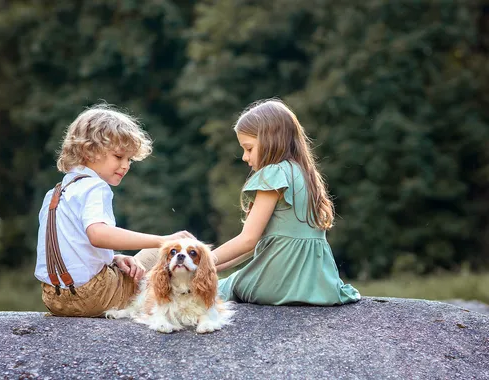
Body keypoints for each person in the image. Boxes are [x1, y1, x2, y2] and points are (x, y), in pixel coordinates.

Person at [34, 104, 193, 317]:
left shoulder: (57, 193)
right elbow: (98, 235)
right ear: (89, 150)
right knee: (166, 251)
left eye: (129, 159)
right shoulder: (95, 187)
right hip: (92, 296)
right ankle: (197, 301)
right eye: (119, 157)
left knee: (134, 262)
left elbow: (72, 246)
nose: (126, 165)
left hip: (53, 297)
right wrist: (162, 240)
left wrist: (113, 259)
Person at [214, 99, 361, 305]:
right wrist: (215, 266)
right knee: (224, 280)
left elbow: (248, 239)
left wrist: (202, 260)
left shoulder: (273, 175)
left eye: (248, 148)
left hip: (280, 282)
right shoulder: (306, 175)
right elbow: (256, 244)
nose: (244, 157)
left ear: (270, 140)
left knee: (213, 289)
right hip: (318, 285)